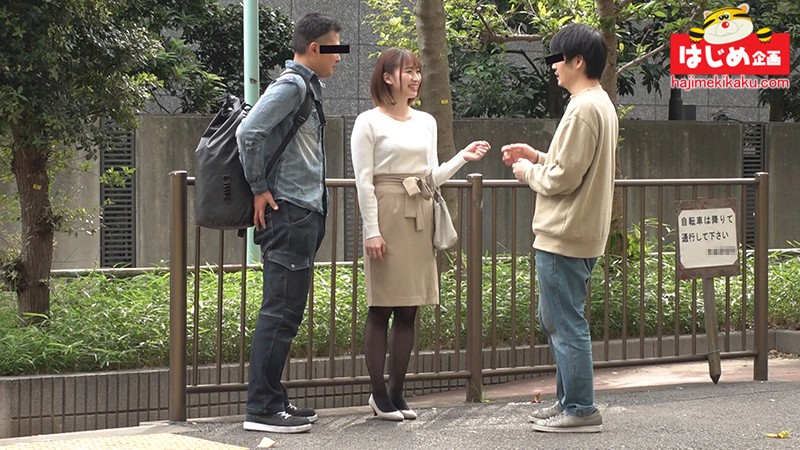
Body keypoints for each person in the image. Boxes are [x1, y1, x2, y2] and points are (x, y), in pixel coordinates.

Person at [350, 47, 490, 421]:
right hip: (387, 213)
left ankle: (397, 392)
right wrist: (372, 230)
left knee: (410, 308)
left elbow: (431, 176)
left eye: (417, 71)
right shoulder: (368, 122)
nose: (415, 78)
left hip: (420, 213)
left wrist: (462, 157)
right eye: (407, 71)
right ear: (387, 77)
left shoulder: (426, 121)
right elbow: (363, 181)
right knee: (381, 306)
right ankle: (378, 394)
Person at [501, 23, 618, 433]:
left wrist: (527, 171)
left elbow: (564, 177)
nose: (553, 65)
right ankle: (569, 401)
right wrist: (537, 155)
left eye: (557, 58)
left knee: (564, 323)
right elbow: (571, 164)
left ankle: (581, 408)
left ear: (577, 61)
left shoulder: (583, 107)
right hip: (581, 231)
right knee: (560, 320)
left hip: (564, 233)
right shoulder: (598, 103)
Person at [236, 12, 342, 434]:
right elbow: (249, 133)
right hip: (289, 212)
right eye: (334, 48)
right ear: (314, 48)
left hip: (302, 212)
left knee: (287, 313)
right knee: (280, 312)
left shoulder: (307, 88)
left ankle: (273, 398)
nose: (339, 57)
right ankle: (261, 407)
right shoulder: (292, 85)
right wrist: (259, 187)